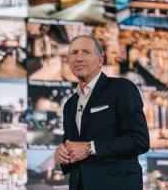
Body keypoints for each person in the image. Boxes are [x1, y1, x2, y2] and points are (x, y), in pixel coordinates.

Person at [54, 35, 150, 190]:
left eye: (86, 52)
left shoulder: (121, 88)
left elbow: (140, 140)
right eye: (73, 53)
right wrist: (63, 155)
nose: (78, 58)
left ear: (100, 60)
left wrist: (89, 148)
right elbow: (73, 148)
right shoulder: (70, 104)